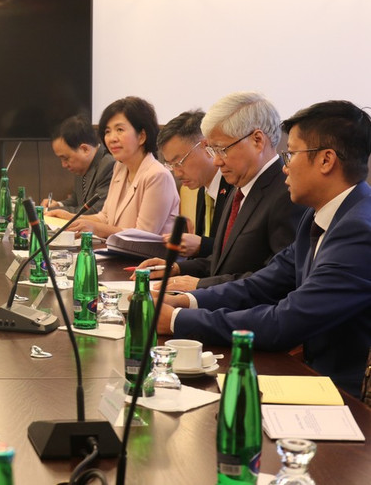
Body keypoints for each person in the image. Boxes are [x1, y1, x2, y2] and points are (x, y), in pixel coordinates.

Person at [158, 100, 371, 397]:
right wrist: (187, 301)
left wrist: (178, 321)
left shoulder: (360, 230)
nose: (285, 166)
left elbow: (287, 320)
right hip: (309, 379)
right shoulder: (317, 214)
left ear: (326, 160)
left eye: (292, 153)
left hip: (347, 397)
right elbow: (262, 284)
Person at [138, 92, 306, 289]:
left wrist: (200, 285)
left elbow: (277, 280)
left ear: (257, 140)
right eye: (213, 151)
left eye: (222, 150)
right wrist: (177, 269)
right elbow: (222, 262)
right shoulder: (240, 188)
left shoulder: (287, 194)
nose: (217, 161)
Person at [48, 96, 179, 238]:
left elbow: (143, 236)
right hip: (119, 253)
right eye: (107, 131)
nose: (112, 138)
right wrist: (69, 217)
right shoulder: (120, 168)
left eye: (120, 130)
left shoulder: (157, 175)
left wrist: (94, 228)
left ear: (141, 136)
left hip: (150, 259)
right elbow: (105, 217)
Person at [156, 110, 233, 258]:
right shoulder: (202, 190)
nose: (177, 174)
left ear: (205, 146)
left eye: (179, 162)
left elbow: (235, 251)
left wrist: (201, 245)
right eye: (171, 165)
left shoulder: (234, 187)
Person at [41, 114, 115, 214]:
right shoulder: (83, 166)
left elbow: (94, 211)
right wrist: (58, 205)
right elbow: (76, 201)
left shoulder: (108, 166)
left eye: (66, 158)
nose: (64, 165)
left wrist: (51, 210)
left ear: (85, 149)